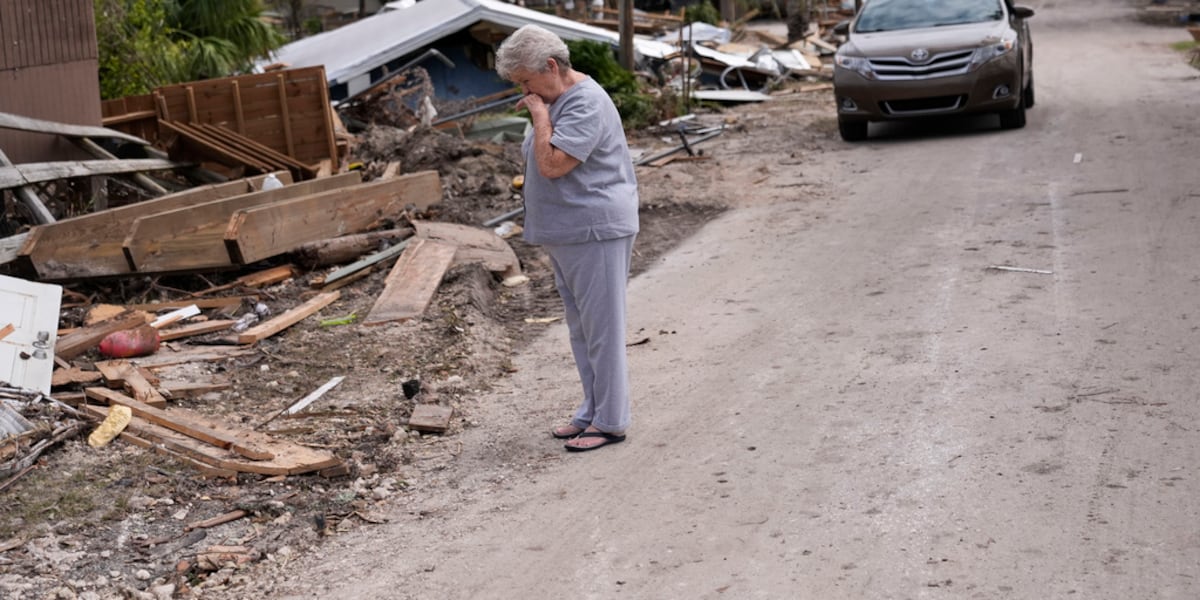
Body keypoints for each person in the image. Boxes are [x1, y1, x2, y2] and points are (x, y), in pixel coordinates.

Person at [495, 24, 639, 452]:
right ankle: (592, 409)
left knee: (603, 328)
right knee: (583, 328)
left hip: (594, 229)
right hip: (569, 231)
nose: (523, 91)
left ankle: (611, 420)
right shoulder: (556, 98)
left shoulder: (585, 102)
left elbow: (555, 163)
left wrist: (539, 118)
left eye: (525, 80)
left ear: (552, 66)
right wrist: (541, 113)